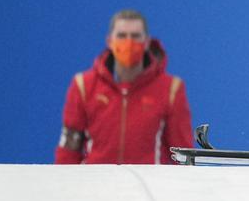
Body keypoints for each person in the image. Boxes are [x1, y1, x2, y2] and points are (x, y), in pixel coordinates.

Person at [55, 9, 193, 164]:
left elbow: (182, 155)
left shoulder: (171, 89)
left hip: (146, 186)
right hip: (95, 185)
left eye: (135, 36)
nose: (129, 42)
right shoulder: (83, 86)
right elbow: (69, 149)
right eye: (121, 36)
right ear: (109, 41)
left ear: (147, 42)